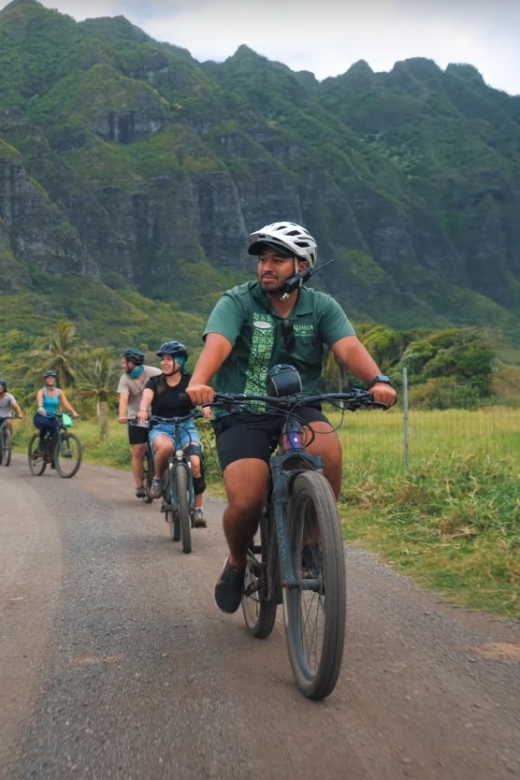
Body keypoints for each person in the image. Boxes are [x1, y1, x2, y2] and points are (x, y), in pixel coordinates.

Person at [186, 220, 398, 613]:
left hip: (298, 406)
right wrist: (200, 382)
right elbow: (218, 343)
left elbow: (349, 348)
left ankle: (313, 541)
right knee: (247, 499)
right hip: (242, 409)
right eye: (263, 259)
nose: (266, 267)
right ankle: (236, 562)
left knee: (329, 452)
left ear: (302, 266)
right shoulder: (236, 302)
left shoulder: (321, 307)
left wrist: (377, 380)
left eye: (278, 260)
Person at [137, 341, 209, 528]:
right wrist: (143, 410)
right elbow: (146, 397)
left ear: (180, 362)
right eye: (163, 360)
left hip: (186, 427)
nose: (164, 363)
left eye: (169, 359)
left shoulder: (190, 382)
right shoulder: (155, 382)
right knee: (166, 448)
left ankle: (198, 509)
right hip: (161, 427)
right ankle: (159, 479)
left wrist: (207, 407)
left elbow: (203, 396)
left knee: (195, 462)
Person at [117, 348, 162, 499]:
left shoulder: (154, 373)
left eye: (124, 363)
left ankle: (161, 478)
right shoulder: (125, 379)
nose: (122, 366)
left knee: (161, 447)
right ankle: (139, 485)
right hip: (135, 418)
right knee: (138, 450)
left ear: (131, 363)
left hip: (156, 415)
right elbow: (123, 398)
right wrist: (122, 415)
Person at [33, 370, 79, 452]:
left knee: (58, 427)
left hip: (52, 417)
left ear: (54, 379)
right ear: (45, 380)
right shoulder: (42, 391)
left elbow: (66, 403)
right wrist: (40, 407)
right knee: (45, 423)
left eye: (52, 377)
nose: (50, 379)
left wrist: (73, 412)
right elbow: (39, 400)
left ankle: (53, 455)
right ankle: (41, 442)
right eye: (48, 378)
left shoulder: (59, 392)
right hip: (40, 416)